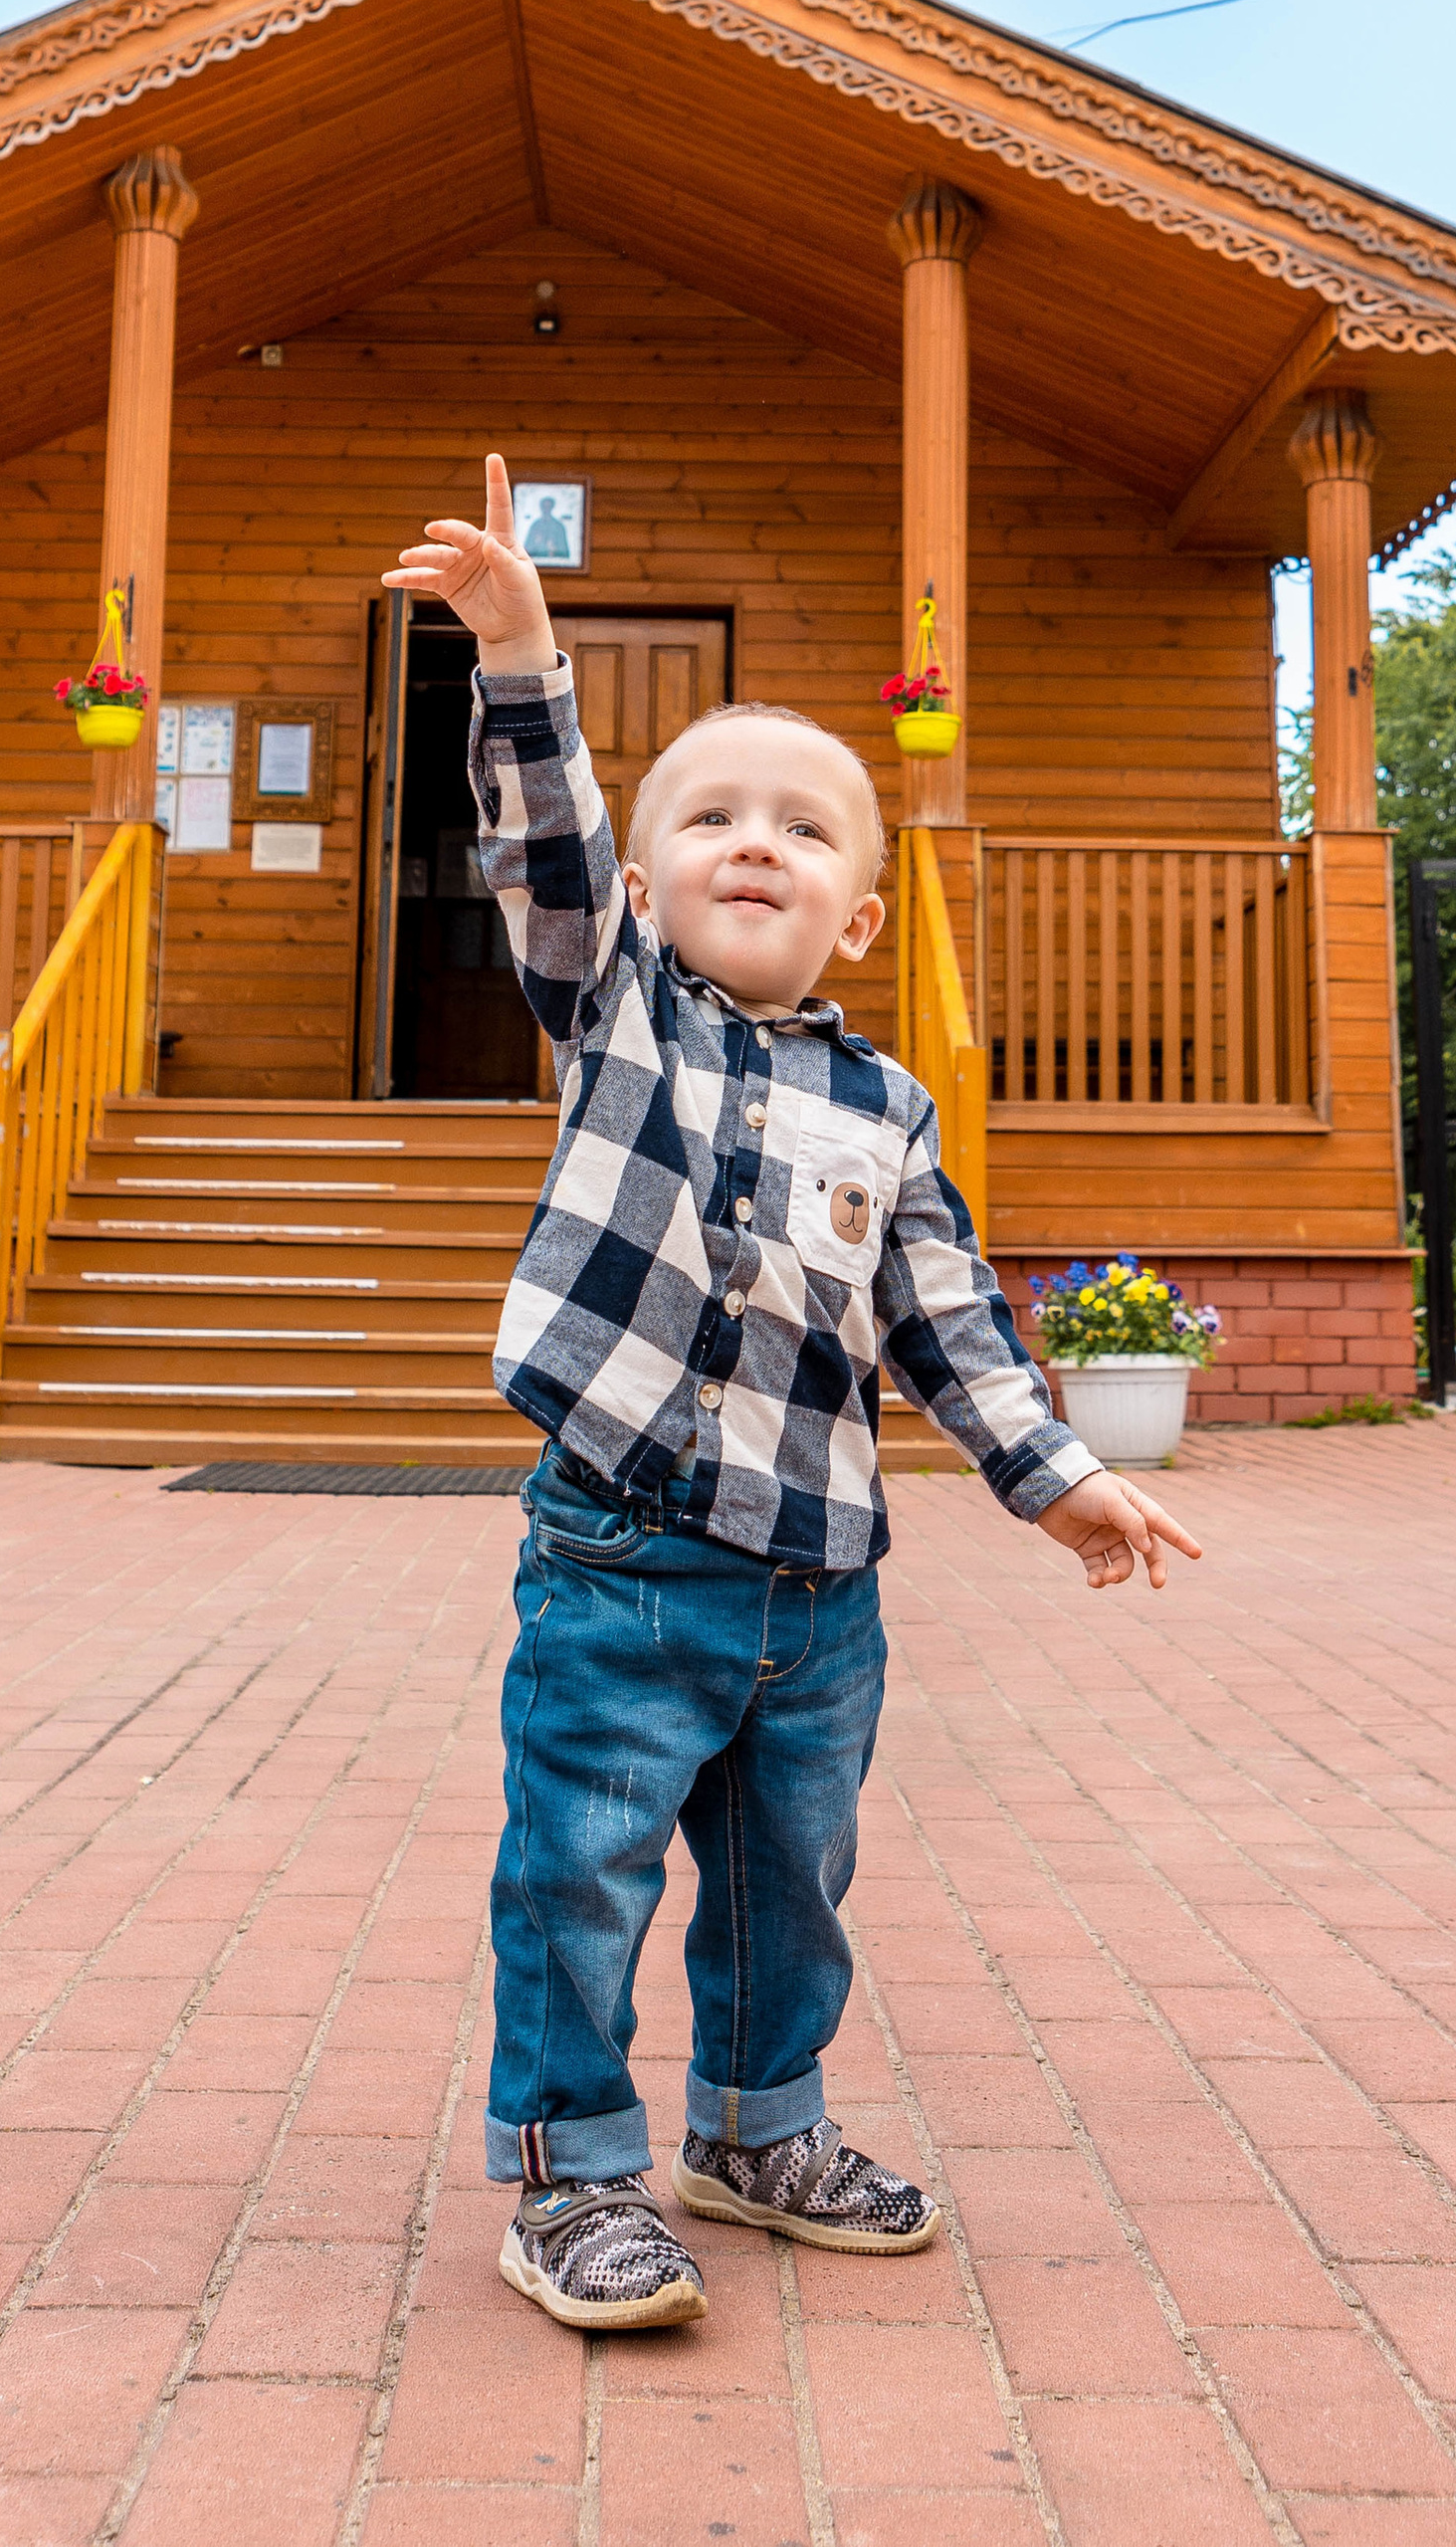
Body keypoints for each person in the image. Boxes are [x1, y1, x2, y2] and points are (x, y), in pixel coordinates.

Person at [382, 459, 1202, 2339]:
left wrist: (1057, 1474)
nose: (756, 842)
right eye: (712, 820)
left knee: (789, 1885)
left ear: (856, 916)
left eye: (805, 829)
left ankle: (755, 2134)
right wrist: (523, 654)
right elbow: (549, 855)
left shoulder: (890, 1111)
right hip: (622, 1561)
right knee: (580, 1872)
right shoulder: (620, 1021)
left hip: (821, 1587)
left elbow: (950, 1322)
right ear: (656, 885)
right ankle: (571, 2169)